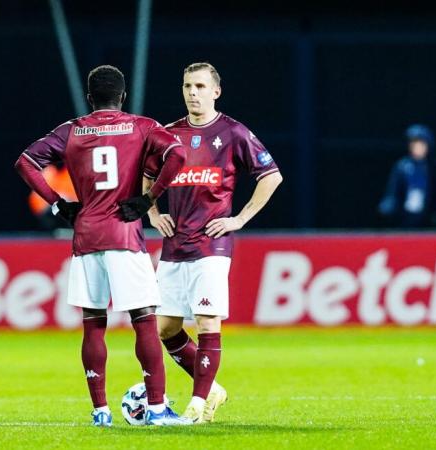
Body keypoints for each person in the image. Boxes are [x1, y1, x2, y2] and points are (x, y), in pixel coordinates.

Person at [14, 65, 189, 427]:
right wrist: (149, 198)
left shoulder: (73, 129)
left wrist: (59, 203)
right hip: (124, 234)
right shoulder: (141, 126)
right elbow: (178, 155)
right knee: (143, 321)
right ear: (122, 97)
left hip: (85, 235)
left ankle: (100, 411)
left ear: (91, 98)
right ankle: (156, 409)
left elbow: (26, 163)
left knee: (93, 324)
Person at [143, 62, 283, 424]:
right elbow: (145, 177)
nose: (193, 92)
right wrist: (154, 214)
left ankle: (198, 402)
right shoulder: (168, 134)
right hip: (174, 246)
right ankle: (212, 388)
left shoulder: (233, 133)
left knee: (207, 322)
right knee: (166, 329)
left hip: (211, 245)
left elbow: (271, 176)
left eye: (201, 86)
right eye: (188, 85)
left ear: (216, 91)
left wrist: (239, 219)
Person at [378, 124, 434, 228]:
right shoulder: (401, 166)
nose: (417, 147)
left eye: (421, 144)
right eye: (414, 144)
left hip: (426, 218)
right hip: (404, 216)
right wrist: (389, 205)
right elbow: (392, 191)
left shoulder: (433, 167)